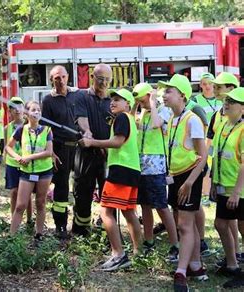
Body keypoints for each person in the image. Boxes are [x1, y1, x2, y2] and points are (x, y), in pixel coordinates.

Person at [80, 88, 142, 271]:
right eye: (112, 99)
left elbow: (117, 141)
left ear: (128, 104)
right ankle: (139, 253)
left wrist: (93, 142)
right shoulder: (129, 119)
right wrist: (103, 147)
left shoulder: (122, 118)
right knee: (129, 212)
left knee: (105, 211)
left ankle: (118, 255)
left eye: (118, 99)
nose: (112, 102)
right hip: (131, 170)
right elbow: (118, 144)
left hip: (121, 170)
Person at [159, 74, 209, 291]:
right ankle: (196, 266)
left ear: (182, 95)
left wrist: (189, 183)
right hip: (176, 176)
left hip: (190, 176)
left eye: (169, 91)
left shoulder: (192, 119)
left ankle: (181, 272)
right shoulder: (172, 119)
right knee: (185, 223)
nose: (164, 94)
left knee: (184, 225)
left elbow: (203, 156)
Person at [132, 83, 179, 262]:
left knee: (161, 206)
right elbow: (131, 125)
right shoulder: (142, 112)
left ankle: (175, 243)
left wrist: (151, 102)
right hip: (141, 165)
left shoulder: (162, 111)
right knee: (144, 205)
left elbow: (156, 124)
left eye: (142, 99)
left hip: (156, 166)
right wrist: (136, 106)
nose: (141, 103)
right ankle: (149, 240)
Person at [41, 65, 81, 239]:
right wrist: (51, 152)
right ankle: (61, 226)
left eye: (63, 77)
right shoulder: (48, 100)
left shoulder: (77, 95)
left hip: (80, 147)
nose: (61, 80)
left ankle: (81, 225)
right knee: (62, 187)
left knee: (82, 186)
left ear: (68, 77)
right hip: (60, 148)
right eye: (57, 78)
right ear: (52, 80)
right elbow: (45, 129)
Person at [74, 63, 113, 236]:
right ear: (92, 77)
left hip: (109, 156)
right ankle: (81, 230)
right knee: (83, 192)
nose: (104, 83)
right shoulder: (82, 97)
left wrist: (107, 146)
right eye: (100, 79)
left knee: (109, 193)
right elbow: (82, 119)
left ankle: (107, 230)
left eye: (107, 80)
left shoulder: (113, 100)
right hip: (86, 155)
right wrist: (87, 132)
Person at [6, 100, 53, 242]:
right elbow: (8, 147)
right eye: (33, 110)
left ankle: (39, 234)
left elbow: (49, 151)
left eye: (39, 110)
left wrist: (29, 157)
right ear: (26, 113)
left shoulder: (47, 130)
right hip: (27, 172)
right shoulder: (21, 129)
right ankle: (11, 237)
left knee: (40, 202)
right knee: (21, 205)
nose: (37, 112)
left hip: (44, 171)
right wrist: (18, 157)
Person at [210, 87, 244, 283]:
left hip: (238, 189)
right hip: (223, 185)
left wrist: (236, 192)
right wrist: (214, 182)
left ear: (242, 109)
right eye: (226, 100)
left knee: (242, 227)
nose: (227, 104)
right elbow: (217, 154)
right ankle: (232, 265)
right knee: (220, 223)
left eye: (232, 101)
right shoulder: (223, 125)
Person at [4, 97, 32, 224]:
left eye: (20, 107)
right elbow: (6, 146)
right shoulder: (7, 128)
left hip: (27, 164)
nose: (17, 110)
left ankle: (30, 219)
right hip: (12, 163)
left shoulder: (29, 126)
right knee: (14, 192)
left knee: (28, 193)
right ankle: (14, 218)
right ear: (9, 111)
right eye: (14, 108)